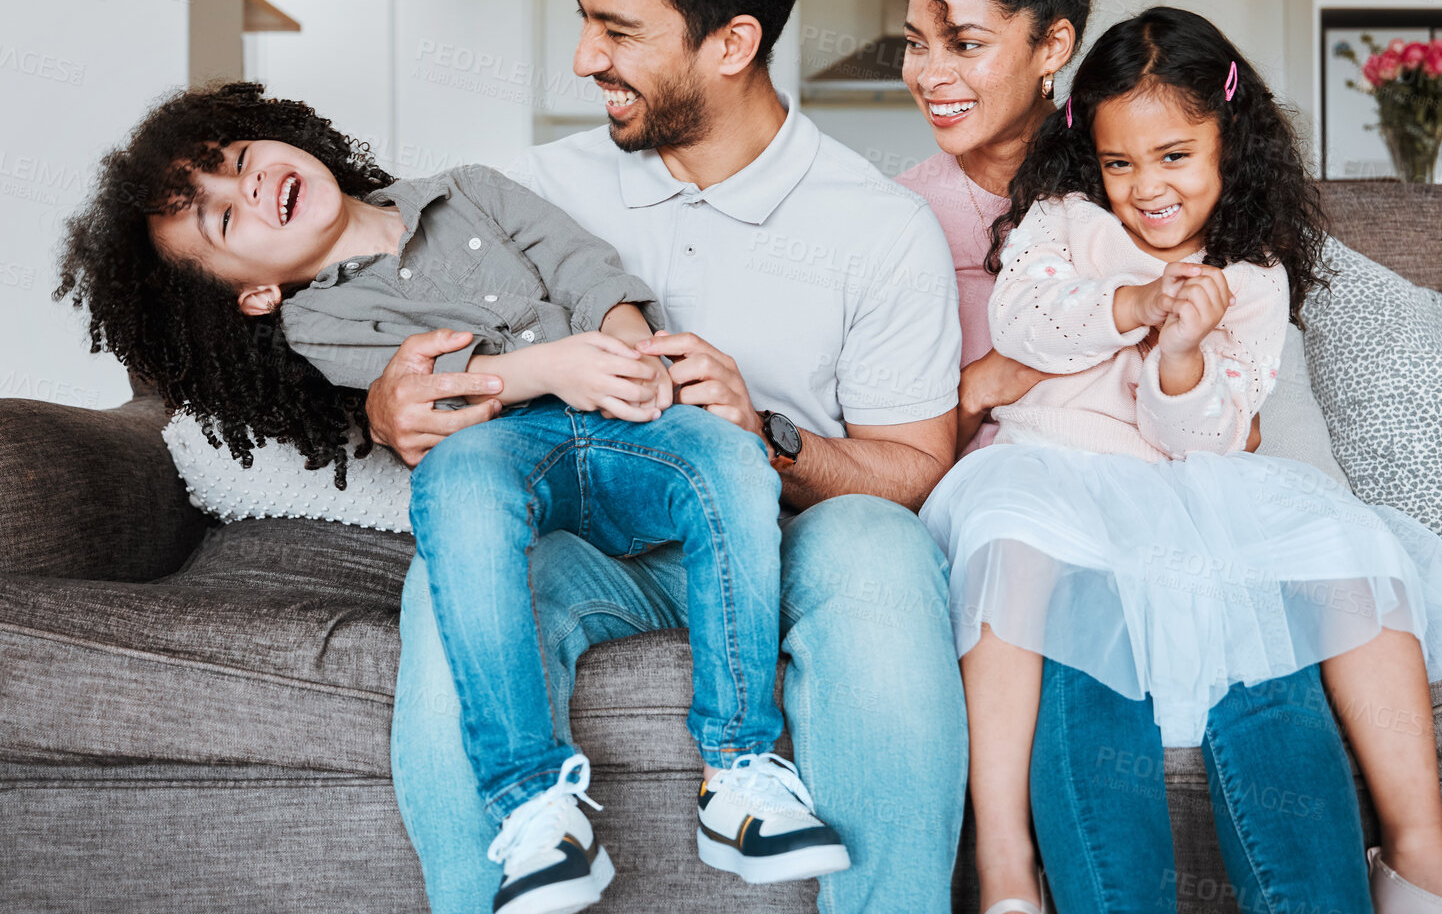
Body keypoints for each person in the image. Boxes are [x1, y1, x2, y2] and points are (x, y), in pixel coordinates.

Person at [54, 82, 853, 913]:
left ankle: (738, 772)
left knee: (730, 455)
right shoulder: (313, 324)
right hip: (512, 447)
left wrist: (625, 346)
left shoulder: (469, 187)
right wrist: (550, 370)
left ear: (279, 138)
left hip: (627, 424)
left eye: (240, 160)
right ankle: (534, 801)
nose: (248, 188)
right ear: (252, 294)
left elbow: (581, 263)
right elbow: (436, 398)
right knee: (458, 481)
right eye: (223, 220)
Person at [365, 0, 971, 914]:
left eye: (620, 32)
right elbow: (408, 341)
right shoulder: (529, 191)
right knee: (447, 576)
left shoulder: (876, 226)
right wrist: (387, 404)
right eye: (585, 19)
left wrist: (766, 432)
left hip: (787, 543)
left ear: (733, 41)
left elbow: (915, 469)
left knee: (882, 543)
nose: (583, 57)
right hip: (598, 546)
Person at [858, 0, 1376, 914]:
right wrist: (1000, 376)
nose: (930, 73)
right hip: (1030, 494)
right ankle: (1017, 871)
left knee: (1271, 655)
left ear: (1052, 48)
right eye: (913, 44)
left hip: (1190, 464)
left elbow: (1240, 366)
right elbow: (896, 432)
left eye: (964, 42)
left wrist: (1248, 454)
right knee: (1087, 666)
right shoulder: (896, 214)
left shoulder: (1126, 147)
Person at [924, 2, 1442, 914]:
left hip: (1189, 488)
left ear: (1230, 143)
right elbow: (1026, 322)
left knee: (1354, 548)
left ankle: (1419, 849)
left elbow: (1208, 436)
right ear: (1090, 161)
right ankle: (1003, 868)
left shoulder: (1252, 277)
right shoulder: (1062, 219)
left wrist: (1182, 357)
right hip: (1052, 471)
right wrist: (1135, 305)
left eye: (1175, 156)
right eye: (1120, 162)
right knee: (1009, 550)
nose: (1146, 188)